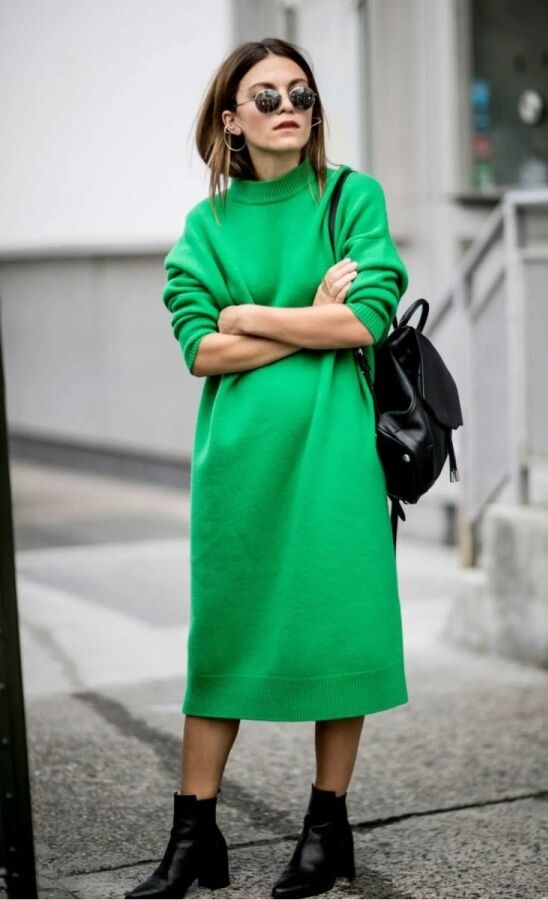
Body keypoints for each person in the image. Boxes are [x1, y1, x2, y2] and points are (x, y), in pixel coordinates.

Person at [125, 35, 410, 900]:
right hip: (240, 465)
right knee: (223, 641)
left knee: (339, 631)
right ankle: (192, 837)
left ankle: (327, 829)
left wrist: (247, 314)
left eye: (301, 94)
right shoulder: (205, 227)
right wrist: (300, 315)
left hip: (333, 459)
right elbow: (199, 350)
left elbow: (364, 320)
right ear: (230, 120)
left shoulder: (350, 197)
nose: (289, 108)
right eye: (266, 97)